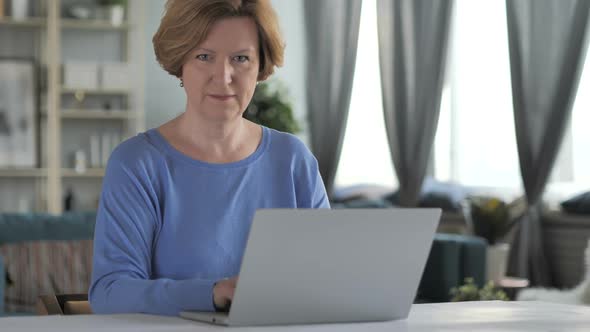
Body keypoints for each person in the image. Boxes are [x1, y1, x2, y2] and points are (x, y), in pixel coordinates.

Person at [89, 0, 329, 316]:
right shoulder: (137, 163)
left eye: (241, 58)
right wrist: (214, 293)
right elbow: (110, 292)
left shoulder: (293, 159)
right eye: (204, 57)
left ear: (260, 67)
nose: (223, 75)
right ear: (180, 63)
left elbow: (328, 276)